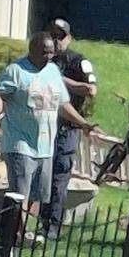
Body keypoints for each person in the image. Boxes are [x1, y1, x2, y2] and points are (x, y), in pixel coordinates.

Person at [0, 32, 100, 241]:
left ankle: (21, 230)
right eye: (44, 53)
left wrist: (83, 123)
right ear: (32, 51)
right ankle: (16, 236)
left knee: (38, 194)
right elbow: (0, 94)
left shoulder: (52, 72)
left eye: (51, 53)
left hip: (44, 145)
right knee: (19, 193)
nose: (49, 57)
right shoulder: (16, 71)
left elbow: (63, 104)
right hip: (19, 142)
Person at [40, 18, 98, 240]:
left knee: (58, 176)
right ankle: (41, 221)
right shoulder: (42, 60)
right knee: (42, 175)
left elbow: (91, 90)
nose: (56, 41)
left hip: (68, 127)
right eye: (53, 35)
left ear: (69, 38)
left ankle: (52, 226)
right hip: (44, 125)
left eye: (61, 36)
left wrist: (59, 79)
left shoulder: (78, 61)